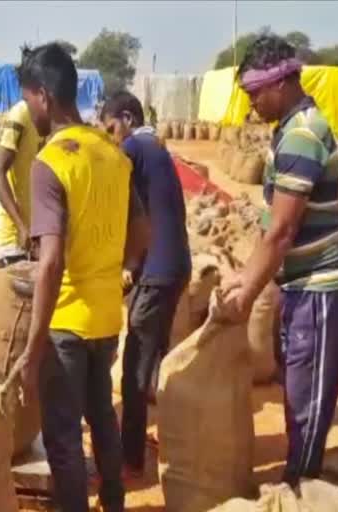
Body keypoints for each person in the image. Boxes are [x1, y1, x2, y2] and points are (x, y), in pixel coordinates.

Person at [220, 35, 338, 486]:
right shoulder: (288, 128)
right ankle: (299, 475)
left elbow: (283, 230)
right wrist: (245, 275)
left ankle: (302, 485)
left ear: (280, 83)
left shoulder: (303, 134)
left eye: (253, 94)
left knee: (308, 396)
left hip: (323, 285)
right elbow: (271, 221)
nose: (250, 104)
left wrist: (245, 294)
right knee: (298, 385)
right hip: (302, 282)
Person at [13, 43, 148, 512]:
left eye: (28, 98)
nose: (28, 109)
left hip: (66, 325)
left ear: (45, 96)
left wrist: (31, 353)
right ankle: (113, 503)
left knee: (65, 440)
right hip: (108, 316)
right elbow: (142, 229)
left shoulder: (51, 161)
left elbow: (50, 264)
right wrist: (123, 274)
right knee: (102, 423)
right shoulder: (112, 153)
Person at [100, 91, 191, 479]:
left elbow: (112, 197)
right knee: (157, 360)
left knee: (134, 370)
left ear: (126, 118)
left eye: (110, 129)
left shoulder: (136, 146)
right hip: (175, 267)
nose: (111, 138)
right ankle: (174, 440)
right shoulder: (158, 149)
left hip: (157, 272)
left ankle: (131, 456)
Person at [0, 97, 42, 267]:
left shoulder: (45, 121)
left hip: (31, 231)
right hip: (12, 235)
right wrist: (20, 226)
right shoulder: (21, 114)